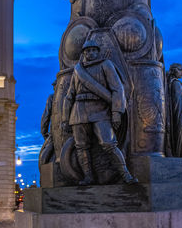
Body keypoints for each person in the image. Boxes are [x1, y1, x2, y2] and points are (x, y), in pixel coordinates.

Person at [62, 39, 137, 185]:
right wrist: (65, 118)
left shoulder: (106, 65)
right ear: (84, 53)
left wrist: (116, 112)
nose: (90, 53)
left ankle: (126, 175)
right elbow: (69, 95)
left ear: (98, 51)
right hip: (78, 112)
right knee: (81, 146)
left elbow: (117, 89)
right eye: (87, 51)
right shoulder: (78, 70)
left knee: (109, 144)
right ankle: (88, 177)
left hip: (100, 110)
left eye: (93, 50)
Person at [39, 81, 56, 170]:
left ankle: (44, 169)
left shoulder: (52, 97)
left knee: (45, 156)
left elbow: (46, 116)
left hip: (56, 131)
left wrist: (44, 132)